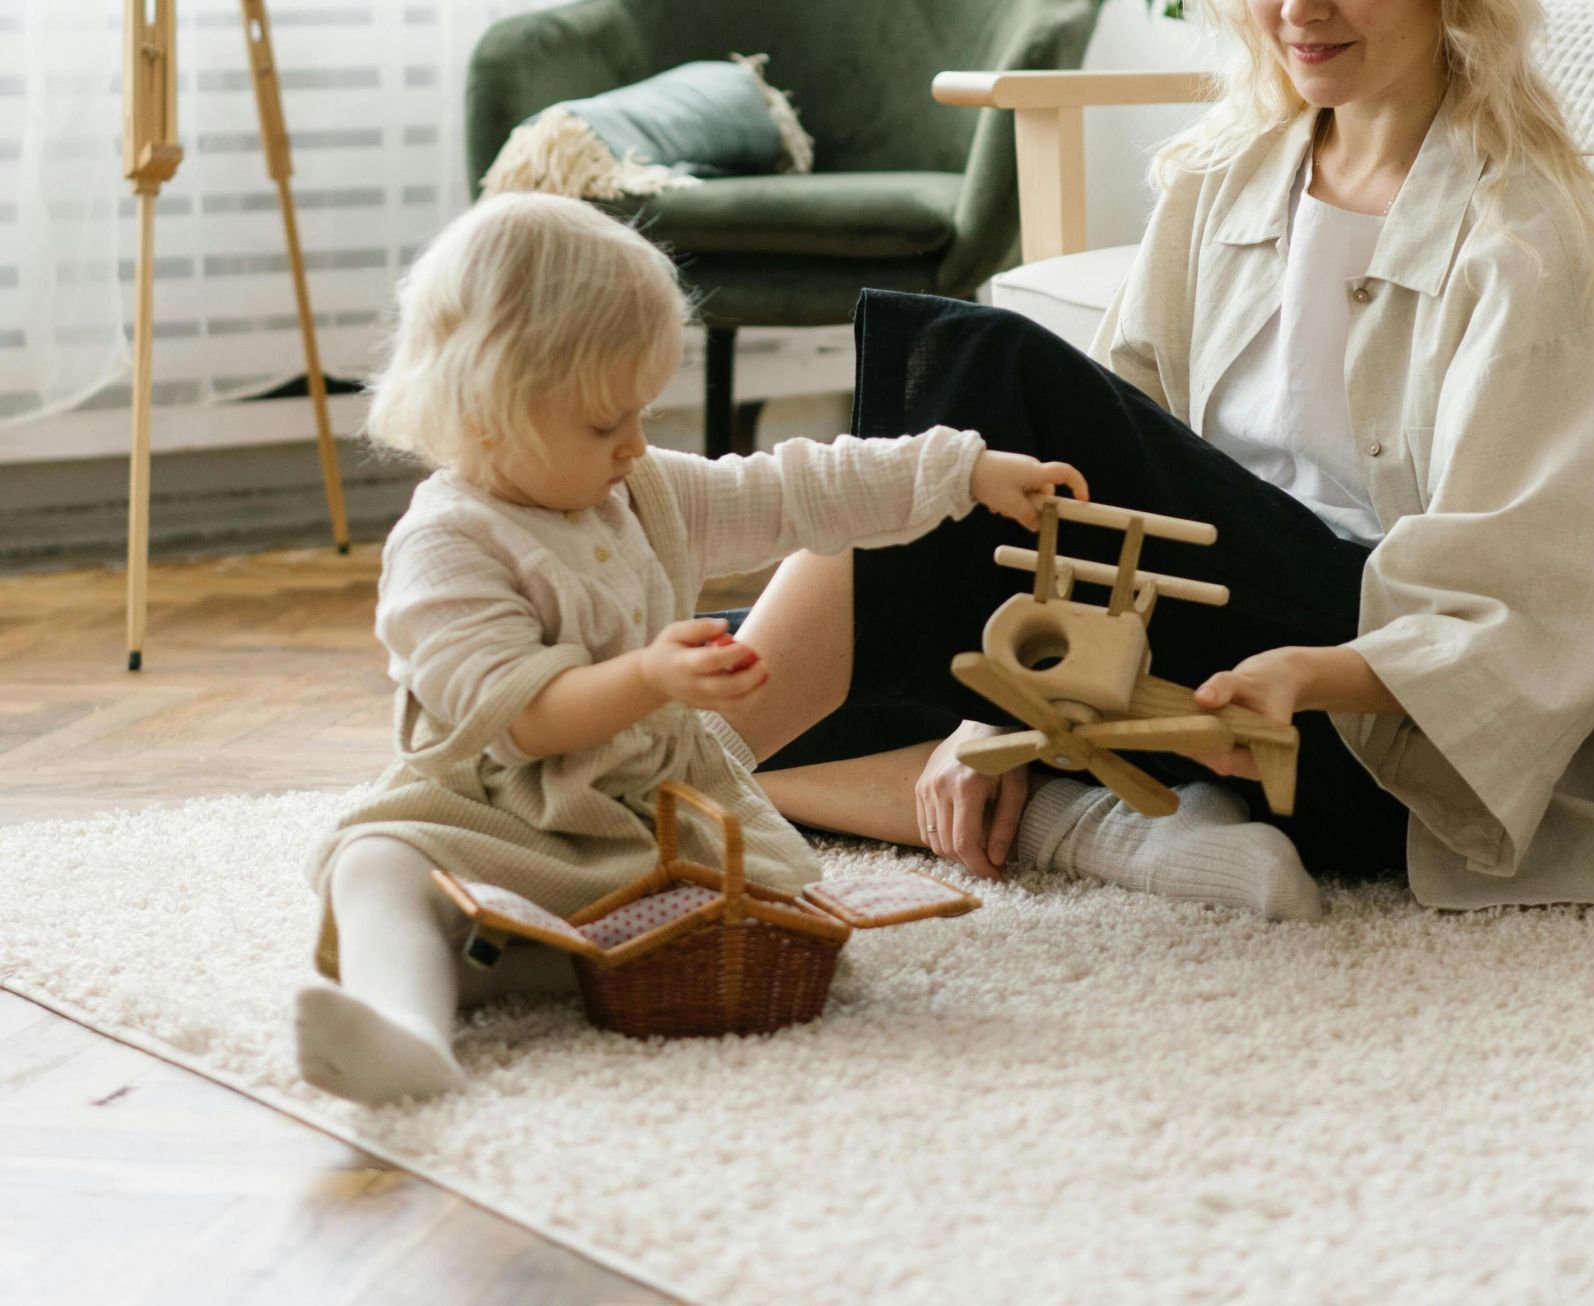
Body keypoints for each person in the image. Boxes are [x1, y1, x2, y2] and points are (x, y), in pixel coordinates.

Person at [707, 0, 1594, 918]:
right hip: (1192, 679)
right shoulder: (1226, 178)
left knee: (980, 367)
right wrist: (1004, 707)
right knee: (708, 648)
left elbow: (1547, 595)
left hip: (1361, 728)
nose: (1299, 10)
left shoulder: (1530, 239)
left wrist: (1315, 671)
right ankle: (1099, 826)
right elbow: (1104, 466)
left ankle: (628, 807)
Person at [294, 192, 1087, 1106]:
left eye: (642, 412)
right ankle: (408, 1031)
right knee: (373, 862)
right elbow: (520, 722)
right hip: (498, 812)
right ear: (486, 413)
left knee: (770, 918)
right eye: (604, 425)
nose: (635, 444)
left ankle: (515, 958)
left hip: (652, 814)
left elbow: (800, 491)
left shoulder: (642, 491)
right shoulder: (447, 545)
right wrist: (649, 676)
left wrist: (964, 472)